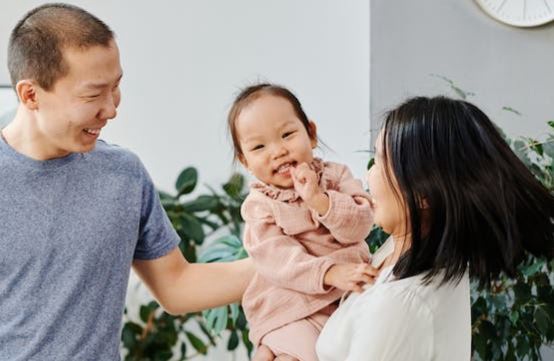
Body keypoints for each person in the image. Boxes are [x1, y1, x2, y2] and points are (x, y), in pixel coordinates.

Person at [0, 4, 252, 360]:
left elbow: (177, 286)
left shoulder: (123, 175)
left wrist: (304, 265)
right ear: (30, 95)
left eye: (115, 87)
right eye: (92, 95)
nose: (111, 108)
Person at [316, 96, 554, 360]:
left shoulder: (399, 305)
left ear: (422, 193)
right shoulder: (401, 252)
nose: (370, 173)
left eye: (381, 160)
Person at [227, 83, 378, 361]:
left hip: (341, 302)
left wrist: (320, 200)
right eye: (259, 146)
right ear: (244, 160)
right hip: (287, 308)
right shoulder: (259, 205)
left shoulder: (335, 177)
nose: (278, 151)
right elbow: (279, 261)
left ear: (311, 134)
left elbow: (361, 224)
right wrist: (330, 272)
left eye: (287, 134)